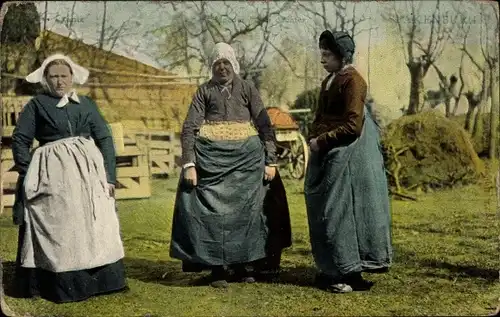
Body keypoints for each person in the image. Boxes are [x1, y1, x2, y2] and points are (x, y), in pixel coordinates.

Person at [170, 42, 291, 288]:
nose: (222, 68)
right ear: (212, 67)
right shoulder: (204, 91)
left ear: (233, 64)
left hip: (247, 162)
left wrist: (271, 161)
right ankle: (217, 270)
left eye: (226, 63)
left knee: (252, 211)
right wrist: (189, 164)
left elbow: (265, 125)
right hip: (212, 161)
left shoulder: (247, 88)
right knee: (207, 211)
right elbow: (190, 127)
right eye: (217, 64)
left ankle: (247, 265)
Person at [11, 53, 127, 303]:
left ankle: (101, 280)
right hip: (54, 173)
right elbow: (20, 140)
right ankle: (60, 282)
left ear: (72, 77)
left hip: (89, 173)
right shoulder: (37, 105)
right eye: (54, 77)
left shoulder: (85, 104)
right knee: (62, 223)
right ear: (45, 80)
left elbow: (104, 138)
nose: (60, 82)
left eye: (64, 76)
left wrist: (109, 176)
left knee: (96, 221)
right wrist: (29, 171)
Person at [305, 30, 392, 293]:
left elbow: (353, 125)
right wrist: (313, 135)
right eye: (321, 54)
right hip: (328, 150)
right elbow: (320, 115)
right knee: (324, 210)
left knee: (343, 212)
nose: (322, 59)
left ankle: (350, 273)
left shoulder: (353, 81)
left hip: (350, 152)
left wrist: (322, 141)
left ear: (342, 57)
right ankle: (331, 268)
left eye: (327, 54)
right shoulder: (329, 81)